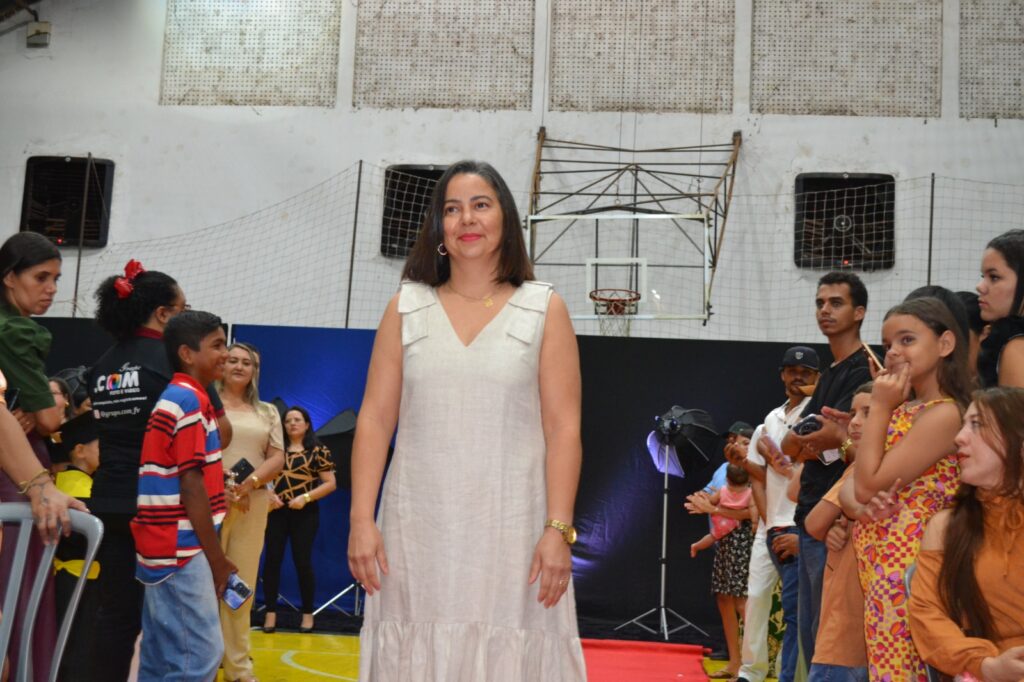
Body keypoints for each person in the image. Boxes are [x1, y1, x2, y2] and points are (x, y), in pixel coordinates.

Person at [347, 160, 587, 680]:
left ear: (506, 219)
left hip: (513, 532)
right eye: (452, 209)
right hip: (417, 531)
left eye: (481, 205)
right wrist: (361, 520)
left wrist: (558, 530)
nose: (467, 219)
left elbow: (564, 430)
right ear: (438, 227)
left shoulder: (544, 307)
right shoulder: (405, 306)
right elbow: (374, 419)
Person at [85, 260, 231, 682]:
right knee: (189, 643)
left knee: (119, 618)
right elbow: (219, 433)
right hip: (168, 514)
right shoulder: (178, 375)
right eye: (184, 308)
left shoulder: (104, 364)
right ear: (165, 315)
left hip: (111, 502)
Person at [848, 297, 968, 681]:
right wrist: (864, 507)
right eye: (888, 345)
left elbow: (867, 483)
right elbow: (853, 486)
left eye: (907, 340)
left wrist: (880, 407)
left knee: (901, 669)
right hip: (880, 553)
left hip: (910, 561)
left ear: (945, 344)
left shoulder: (945, 413)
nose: (894, 352)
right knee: (887, 666)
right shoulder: (905, 409)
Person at [131, 310, 234, 682]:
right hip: (181, 549)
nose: (225, 353)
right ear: (187, 354)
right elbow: (191, 486)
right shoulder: (188, 401)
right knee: (200, 655)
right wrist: (217, 559)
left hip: (164, 546)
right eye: (217, 345)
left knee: (160, 657)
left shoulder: (180, 397)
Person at [780, 271, 872, 670]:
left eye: (836, 302)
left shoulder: (865, 370)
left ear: (859, 312)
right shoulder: (832, 371)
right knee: (812, 638)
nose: (825, 310)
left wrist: (830, 440)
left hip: (839, 521)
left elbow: (852, 444)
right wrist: (819, 441)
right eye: (820, 302)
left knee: (831, 649)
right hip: (811, 516)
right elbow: (795, 443)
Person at [909, 386, 1024, 681]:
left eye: (977, 424)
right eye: (963, 425)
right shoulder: (946, 527)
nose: (959, 437)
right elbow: (926, 614)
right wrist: (986, 665)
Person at [0, 231, 66, 680]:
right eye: (41, 277)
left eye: (56, 279)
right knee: (20, 590)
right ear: (9, 278)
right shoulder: (16, 330)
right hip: (17, 472)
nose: (52, 289)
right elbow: (47, 418)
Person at [736, 346, 818, 682]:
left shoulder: (818, 416)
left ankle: (790, 674)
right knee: (755, 598)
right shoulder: (769, 420)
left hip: (800, 524)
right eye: (792, 371)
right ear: (782, 374)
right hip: (769, 525)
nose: (798, 377)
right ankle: (750, 672)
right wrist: (766, 519)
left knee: (795, 609)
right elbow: (759, 476)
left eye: (805, 372)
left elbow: (810, 471)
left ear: (817, 377)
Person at [217, 342, 284, 681]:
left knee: (239, 585)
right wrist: (223, 485)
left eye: (247, 363)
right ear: (222, 364)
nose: (240, 366)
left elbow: (277, 457)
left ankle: (238, 667)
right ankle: (203, 661)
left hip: (252, 505)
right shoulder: (206, 403)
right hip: (208, 502)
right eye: (233, 360)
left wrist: (249, 484)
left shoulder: (268, 412)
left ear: (255, 371)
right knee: (200, 582)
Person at [804, 383, 871, 682]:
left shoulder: (864, 469)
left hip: (846, 632)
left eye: (868, 413)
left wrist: (841, 440)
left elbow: (814, 522)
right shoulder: (862, 465)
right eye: (853, 413)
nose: (855, 421)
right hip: (864, 630)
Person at [686, 423, 756, 680]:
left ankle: (750, 666)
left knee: (742, 603)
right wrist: (699, 500)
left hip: (744, 543)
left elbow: (753, 513)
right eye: (733, 441)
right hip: (722, 544)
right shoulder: (723, 470)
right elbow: (708, 495)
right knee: (724, 599)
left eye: (744, 442)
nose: (736, 446)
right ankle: (734, 662)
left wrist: (715, 510)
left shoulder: (758, 471)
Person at [262, 406, 335, 633]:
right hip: (275, 511)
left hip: (305, 513)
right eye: (288, 420)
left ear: (307, 424)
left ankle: (307, 615)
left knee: (302, 562)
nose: (292, 423)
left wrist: (305, 497)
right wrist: (269, 494)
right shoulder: (275, 450)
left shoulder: (318, 450)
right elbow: (262, 476)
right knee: (271, 561)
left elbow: (330, 483)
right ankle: (270, 614)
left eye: (297, 419)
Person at [49, 410, 100, 682]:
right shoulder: (78, 489)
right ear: (80, 451)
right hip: (78, 578)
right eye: (101, 443)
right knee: (79, 648)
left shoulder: (67, 482)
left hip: (73, 576)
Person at [976, 229, 1024, 388]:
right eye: (983, 276)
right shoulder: (1001, 338)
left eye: (994, 277)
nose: (980, 287)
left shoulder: (1017, 348)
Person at [691, 464, 757, 557]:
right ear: (748, 480)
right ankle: (696, 546)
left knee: (712, 536)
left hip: (718, 517)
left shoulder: (723, 489)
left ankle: (696, 546)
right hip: (726, 523)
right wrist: (755, 522)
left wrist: (705, 502)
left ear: (727, 479)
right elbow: (753, 508)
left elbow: (713, 501)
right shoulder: (750, 492)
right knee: (713, 536)